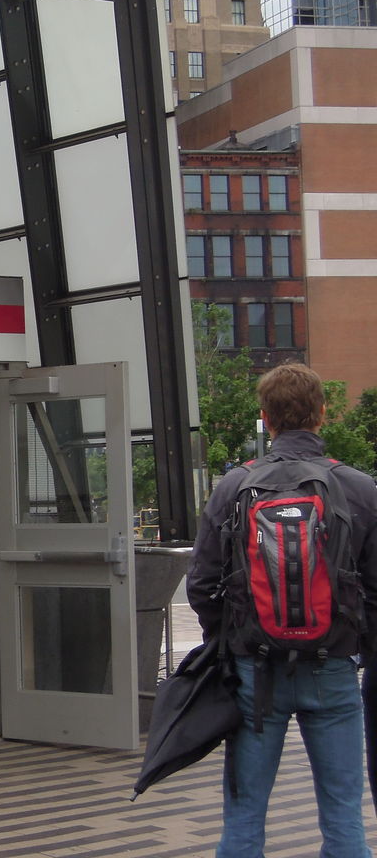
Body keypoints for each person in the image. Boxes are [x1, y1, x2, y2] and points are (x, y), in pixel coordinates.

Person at [188, 363, 377, 858]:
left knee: (244, 813)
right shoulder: (358, 487)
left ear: (266, 418)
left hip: (255, 672)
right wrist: (360, 646)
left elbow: (202, 583)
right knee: (343, 813)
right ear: (322, 413)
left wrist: (229, 644)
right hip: (333, 668)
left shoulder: (234, 487)